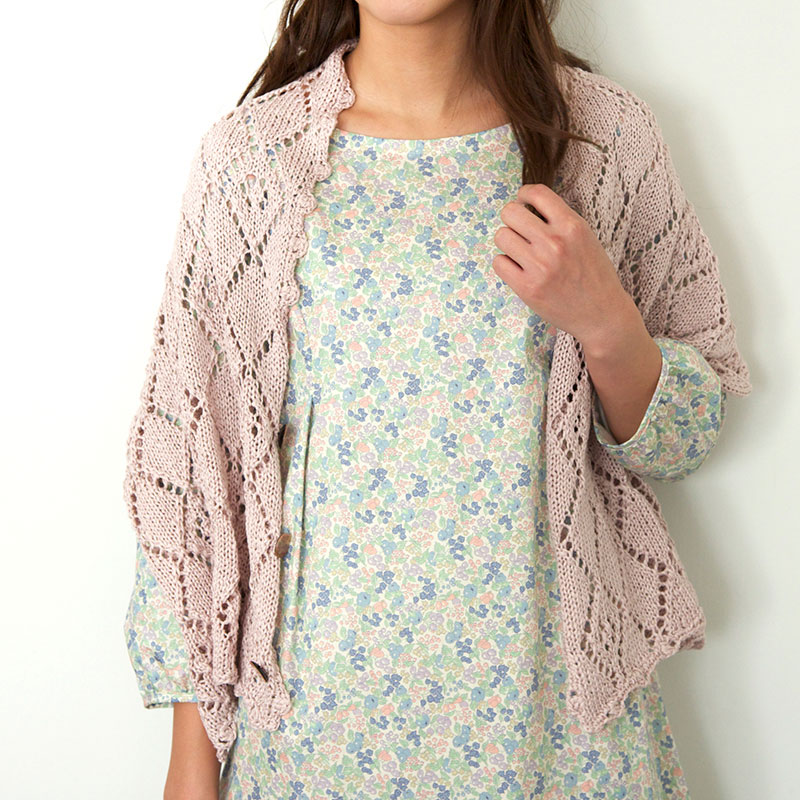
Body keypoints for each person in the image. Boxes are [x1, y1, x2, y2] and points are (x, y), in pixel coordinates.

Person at [123, 1, 750, 798]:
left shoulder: (603, 138)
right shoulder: (251, 160)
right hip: (318, 733)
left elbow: (684, 438)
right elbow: (190, 477)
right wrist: (192, 762)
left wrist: (606, 322)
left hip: (561, 734)